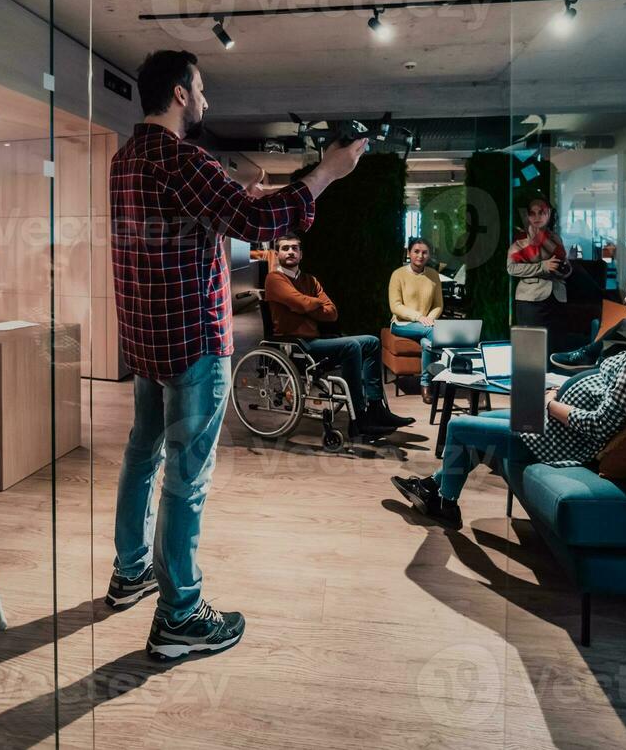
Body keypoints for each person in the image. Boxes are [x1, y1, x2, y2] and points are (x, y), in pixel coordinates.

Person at [107, 49, 366, 661]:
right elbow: (257, 222)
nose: (206, 101)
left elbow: (198, 222)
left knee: (143, 456)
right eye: (199, 90)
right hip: (194, 341)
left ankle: (130, 573)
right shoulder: (182, 158)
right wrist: (326, 172)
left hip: (145, 337)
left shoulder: (126, 161)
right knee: (186, 478)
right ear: (177, 94)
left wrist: (229, 203)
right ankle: (179, 615)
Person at [391, 260, 626, 528]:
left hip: (566, 438)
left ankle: (445, 506)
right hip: (561, 424)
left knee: (460, 428)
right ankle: (433, 485)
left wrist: (552, 403)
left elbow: (600, 425)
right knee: (490, 418)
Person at [265, 232, 415, 436]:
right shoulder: (274, 279)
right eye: (285, 248)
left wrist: (306, 304)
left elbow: (332, 312)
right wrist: (310, 303)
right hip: (297, 344)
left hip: (316, 340)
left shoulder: (310, 280)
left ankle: (376, 408)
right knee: (351, 346)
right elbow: (302, 303)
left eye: (295, 248)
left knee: (371, 342)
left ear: (301, 253)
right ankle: (358, 418)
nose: (290, 251)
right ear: (277, 253)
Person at [508, 197, 572, 352]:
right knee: (532, 348)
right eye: (533, 213)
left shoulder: (555, 238)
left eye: (541, 213)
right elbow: (512, 268)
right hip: (531, 298)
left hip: (557, 296)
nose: (537, 217)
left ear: (548, 214)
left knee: (555, 345)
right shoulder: (521, 239)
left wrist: (565, 270)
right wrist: (542, 267)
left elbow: (565, 265)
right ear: (528, 216)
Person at [388, 238, 445, 392]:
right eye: (416, 251)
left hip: (427, 324)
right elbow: (395, 306)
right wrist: (419, 318)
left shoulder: (433, 275)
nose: (420, 255)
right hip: (401, 324)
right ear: (409, 253)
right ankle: (450, 367)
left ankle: (425, 385)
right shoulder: (398, 275)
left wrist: (430, 319)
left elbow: (438, 304)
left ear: (429, 255)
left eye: (424, 252)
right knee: (433, 332)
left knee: (427, 342)